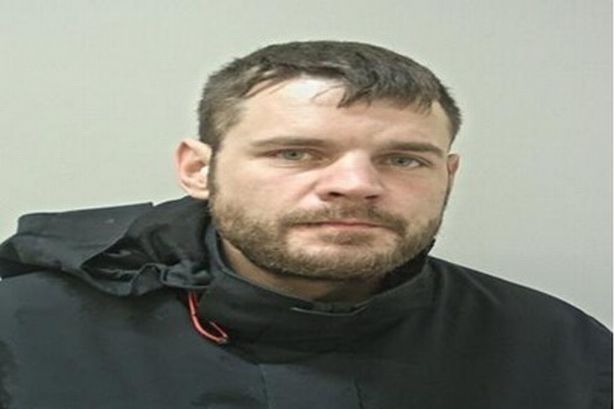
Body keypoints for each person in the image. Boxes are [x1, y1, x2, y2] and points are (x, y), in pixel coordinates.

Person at [0, 40, 610, 409]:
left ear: (447, 174)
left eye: (404, 159)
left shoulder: (561, 349)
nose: (356, 184)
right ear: (198, 169)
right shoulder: (22, 334)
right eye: (295, 153)